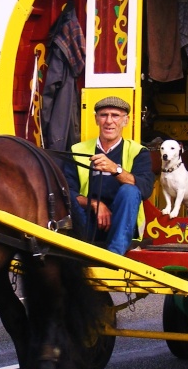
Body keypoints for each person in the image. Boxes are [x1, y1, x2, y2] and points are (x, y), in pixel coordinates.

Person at [63, 96, 154, 255]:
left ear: (125, 121)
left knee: (130, 191)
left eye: (115, 115)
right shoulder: (78, 150)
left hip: (122, 224)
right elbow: (67, 191)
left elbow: (145, 189)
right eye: (104, 115)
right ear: (96, 119)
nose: (109, 121)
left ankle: (114, 256)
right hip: (87, 221)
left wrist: (115, 169)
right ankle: (80, 252)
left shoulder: (138, 152)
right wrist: (95, 204)